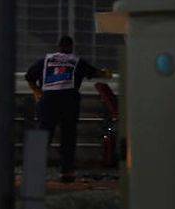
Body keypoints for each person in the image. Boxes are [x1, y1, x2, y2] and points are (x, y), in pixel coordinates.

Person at [25, 35, 112, 182]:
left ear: (58, 47)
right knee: (68, 136)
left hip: (48, 101)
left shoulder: (46, 60)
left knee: (43, 134)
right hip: (68, 101)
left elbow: (29, 76)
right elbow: (95, 73)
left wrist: (37, 92)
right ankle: (67, 172)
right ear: (71, 47)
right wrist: (106, 73)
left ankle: (34, 171)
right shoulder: (75, 60)